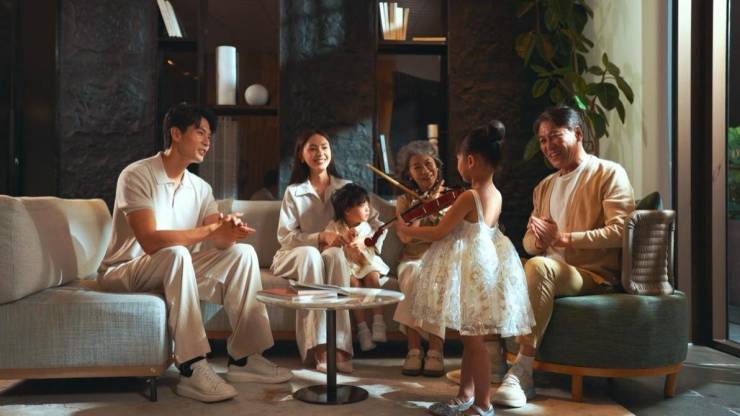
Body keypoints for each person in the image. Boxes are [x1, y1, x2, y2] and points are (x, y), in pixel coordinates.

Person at [97, 103, 292, 403]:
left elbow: (219, 241)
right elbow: (150, 241)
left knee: (243, 254)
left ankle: (245, 358)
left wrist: (230, 231)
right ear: (176, 134)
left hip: (174, 267)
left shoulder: (200, 188)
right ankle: (192, 366)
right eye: (200, 133)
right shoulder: (137, 175)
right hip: (126, 269)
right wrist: (210, 231)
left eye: (209, 136)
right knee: (176, 254)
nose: (207, 142)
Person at [492, 106, 635, 408]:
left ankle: (522, 370)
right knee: (494, 265)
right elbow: (529, 243)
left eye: (555, 136)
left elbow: (622, 231)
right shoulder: (544, 186)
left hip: (591, 274)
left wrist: (563, 239)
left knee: (540, 267)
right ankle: (493, 356)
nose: (548, 146)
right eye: (543, 140)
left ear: (577, 133)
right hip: (550, 269)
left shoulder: (608, 173)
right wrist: (538, 239)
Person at [397, 121, 535, 416]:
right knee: (471, 338)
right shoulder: (495, 193)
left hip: (472, 273)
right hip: (486, 271)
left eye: (458, 159)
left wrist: (408, 229)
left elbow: (439, 232)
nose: (457, 164)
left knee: (474, 343)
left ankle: (483, 404)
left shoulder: (469, 196)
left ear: (470, 160)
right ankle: (465, 394)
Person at [270, 130, 386, 373]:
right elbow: (286, 238)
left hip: (333, 255)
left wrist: (365, 243)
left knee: (334, 256)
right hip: (296, 254)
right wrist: (320, 237)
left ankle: (341, 346)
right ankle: (320, 347)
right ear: (301, 156)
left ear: (330, 152)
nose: (319, 153)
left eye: (324, 147)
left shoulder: (346, 188)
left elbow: (376, 223)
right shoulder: (294, 192)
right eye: (312, 148)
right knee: (312, 255)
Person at [391, 140, 449, 377]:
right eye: (417, 167)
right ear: (409, 174)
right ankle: (413, 349)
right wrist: (418, 210)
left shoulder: (451, 196)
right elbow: (405, 237)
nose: (425, 171)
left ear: (437, 166)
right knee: (412, 274)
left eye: (428, 164)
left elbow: (451, 233)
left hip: (442, 258)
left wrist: (437, 207)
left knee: (436, 277)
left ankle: (435, 350)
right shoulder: (405, 201)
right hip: (413, 258)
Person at [325, 183, 390, 351]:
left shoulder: (366, 226)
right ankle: (362, 329)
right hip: (348, 265)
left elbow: (372, 244)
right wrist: (342, 243)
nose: (367, 209)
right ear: (347, 210)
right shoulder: (334, 226)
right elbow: (327, 246)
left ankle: (378, 321)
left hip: (365, 262)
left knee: (372, 276)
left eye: (367, 204)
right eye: (362, 205)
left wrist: (362, 246)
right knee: (353, 284)